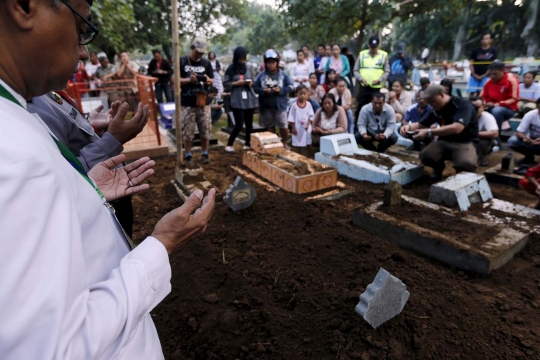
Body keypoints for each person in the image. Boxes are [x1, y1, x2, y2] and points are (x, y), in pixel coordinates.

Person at [0, 0, 216, 358]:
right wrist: (161, 245)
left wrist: (84, 191)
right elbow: (55, 348)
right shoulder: (17, 155)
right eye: (81, 26)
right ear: (24, 6)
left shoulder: (17, 120)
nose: (84, 50)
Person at [400, 85, 478, 181]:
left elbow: (457, 128)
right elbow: (421, 124)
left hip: (464, 141)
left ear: (441, 95)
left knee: (466, 163)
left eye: (432, 101)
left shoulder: (462, 104)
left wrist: (429, 132)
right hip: (444, 140)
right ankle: (438, 169)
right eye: (429, 103)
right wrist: (408, 126)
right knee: (426, 155)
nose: (431, 105)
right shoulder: (436, 109)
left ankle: (461, 177)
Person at [180, 37, 214, 165]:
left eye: (202, 52)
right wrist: (189, 80)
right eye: (197, 51)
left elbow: (212, 80)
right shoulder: (183, 61)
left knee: (205, 127)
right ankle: (188, 154)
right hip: (187, 102)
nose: (199, 54)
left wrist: (206, 79)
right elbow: (174, 80)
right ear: (192, 48)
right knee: (188, 130)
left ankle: (205, 152)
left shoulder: (206, 63)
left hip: (203, 101)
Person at [254, 49, 293, 148]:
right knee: (270, 126)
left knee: (283, 125)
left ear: (277, 63)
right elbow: (255, 87)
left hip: (280, 105)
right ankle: (274, 144)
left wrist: (280, 90)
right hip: (266, 105)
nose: (271, 65)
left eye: (273, 62)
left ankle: (284, 143)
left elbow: (291, 86)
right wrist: (263, 91)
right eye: (269, 63)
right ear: (265, 63)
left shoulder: (283, 75)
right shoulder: (261, 76)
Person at [223, 46, 258, 153]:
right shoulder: (231, 69)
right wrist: (237, 83)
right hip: (237, 99)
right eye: (240, 58)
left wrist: (250, 82)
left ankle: (247, 143)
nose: (242, 61)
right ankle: (229, 144)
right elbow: (226, 84)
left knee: (249, 124)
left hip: (249, 99)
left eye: (244, 58)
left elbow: (252, 80)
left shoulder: (248, 68)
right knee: (239, 124)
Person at [353, 35, 390, 120]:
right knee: (361, 107)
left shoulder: (383, 55)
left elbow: (387, 71)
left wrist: (380, 79)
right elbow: (355, 70)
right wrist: (361, 79)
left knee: (376, 107)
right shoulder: (362, 54)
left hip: (376, 87)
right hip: (364, 86)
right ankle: (358, 126)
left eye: (375, 47)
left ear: (378, 45)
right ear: (368, 45)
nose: (373, 49)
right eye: (372, 47)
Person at [480, 61, 519, 133]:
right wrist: (484, 103)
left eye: (495, 74)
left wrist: (496, 104)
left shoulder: (511, 80)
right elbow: (482, 96)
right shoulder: (488, 81)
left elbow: (514, 99)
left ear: (502, 71)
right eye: (490, 74)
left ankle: (496, 136)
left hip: (508, 108)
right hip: (489, 105)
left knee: (497, 111)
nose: (492, 76)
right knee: (476, 108)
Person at [508, 98, 540, 165]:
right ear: (537, 106)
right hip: (532, 140)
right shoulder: (531, 114)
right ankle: (529, 157)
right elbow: (519, 132)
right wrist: (525, 138)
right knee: (513, 141)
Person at [471, 97, 499, 167]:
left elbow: (495, 134)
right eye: (473, 107)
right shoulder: (464, 114)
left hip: (477, 141)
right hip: (465, 141)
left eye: (478, 107)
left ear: (483, 107)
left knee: (483, 140)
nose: (475, 109)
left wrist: (473, 133)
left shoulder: (487, 116)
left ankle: (481, 158)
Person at [288, 85, 314, 157]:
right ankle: (299, 155)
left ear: (307, 94)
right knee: (297, 141)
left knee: (308, 141)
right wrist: (293, 128)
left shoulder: (308, 105)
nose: (302, 95)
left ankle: (310, 155)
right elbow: (291, 117)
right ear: (296, 94)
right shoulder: (294, 105)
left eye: (304, 93)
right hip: (297, 127)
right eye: (300, 93)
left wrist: (308, 124)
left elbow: (311, 115)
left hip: (306, 126)